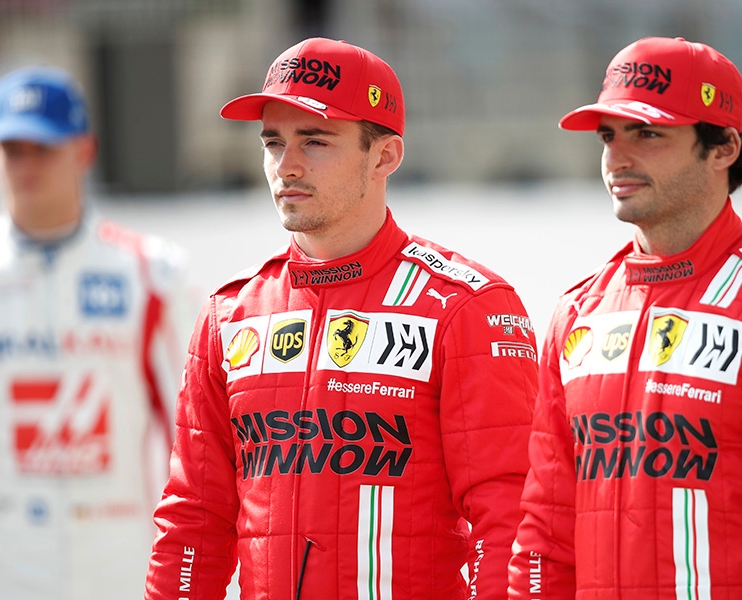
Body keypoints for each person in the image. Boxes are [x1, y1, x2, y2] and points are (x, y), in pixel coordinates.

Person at [144, 37, 538, 599]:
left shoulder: (465, 306)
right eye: (273, 142)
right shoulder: (229, 312)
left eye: (315, 141)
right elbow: (193, 520)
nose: (287, 165)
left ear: (385, 157)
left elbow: (511, 519)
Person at [507, 36, 742, 599]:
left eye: (647, 133)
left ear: (724, 147)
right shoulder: (579, 310)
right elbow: (544, 534)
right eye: (608, 136)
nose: (617, 158)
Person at [0, 66, 194, 598]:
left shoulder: (153, 274)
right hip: (4, 571)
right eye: (12, 150)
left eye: (43, 148)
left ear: (84, 151)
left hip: (124, 569)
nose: (26, 165)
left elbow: (194, 436)